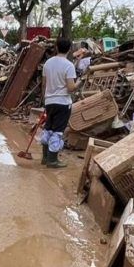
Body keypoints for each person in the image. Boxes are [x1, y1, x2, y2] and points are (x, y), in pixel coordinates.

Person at [40, 37, 77, 169]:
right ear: (70, 49)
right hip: (63, 103)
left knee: (48, 128)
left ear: (56, 47)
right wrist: (80, 83)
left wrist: (45, 99)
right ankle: (52, 160)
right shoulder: (69, 65)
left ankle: (44, 157)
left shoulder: (48, 63)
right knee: (57, 131)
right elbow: (71, 88)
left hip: (49, 101)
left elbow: (44, 84)